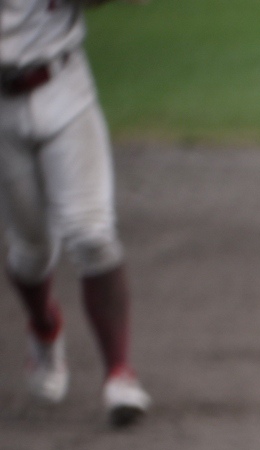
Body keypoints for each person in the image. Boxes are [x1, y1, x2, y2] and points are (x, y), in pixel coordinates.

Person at [2, 0, 147, 425]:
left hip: (64, 87)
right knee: (30, 253)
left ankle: (120, 373)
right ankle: (44, 325)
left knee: (91, 234)